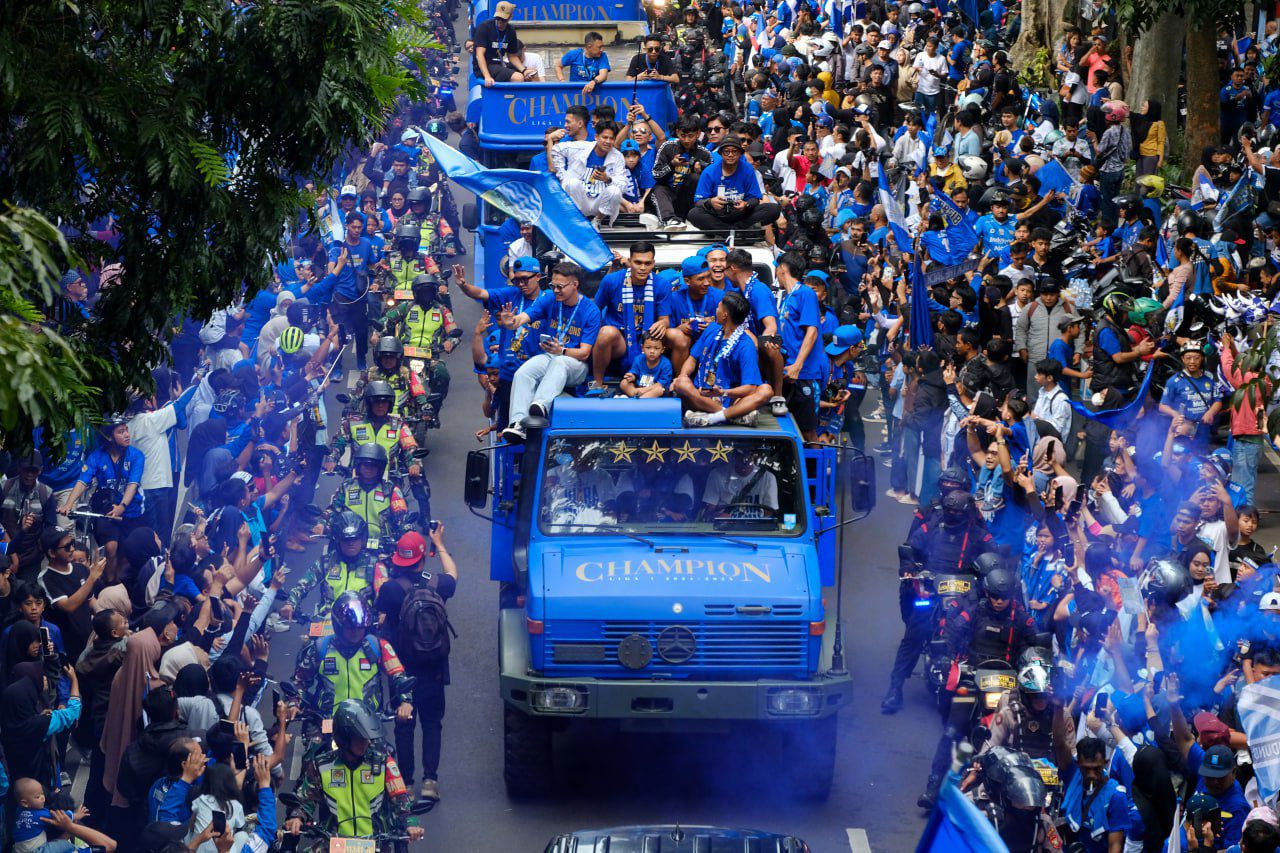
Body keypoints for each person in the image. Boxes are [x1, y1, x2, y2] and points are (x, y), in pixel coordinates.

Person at [379, 526, 458, 805]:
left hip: (402, 670)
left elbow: (382, 618)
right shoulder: (437, 584)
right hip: (434, 668)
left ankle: (407, 784)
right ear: (423, 559)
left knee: (404, 726)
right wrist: (439, 543)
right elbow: (453, 574)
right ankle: (430, 782)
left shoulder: (390, 589)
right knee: (432, 723)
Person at [285, 700, 423, 845]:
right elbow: (305, 801)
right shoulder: (321, 765)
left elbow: (401, 799)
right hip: (333, 842)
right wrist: (297, 817)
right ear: (344, 738)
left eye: (366, 738)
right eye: (359, 738)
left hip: (377, 843)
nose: (365, 742)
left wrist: (411, 823)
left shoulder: (384, 763)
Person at [497, 262, 602, 443]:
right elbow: (523, 318)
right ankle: (517, 423)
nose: (555, 290)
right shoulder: (550, 299)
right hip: (551, 356)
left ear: (575, 284)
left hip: (575, 363)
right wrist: (512, 322)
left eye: (560, 286)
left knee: (560, 362)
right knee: (523, 372)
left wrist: (561, 350)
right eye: (553, 285)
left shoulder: (590, 310)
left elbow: (584, 353)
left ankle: (540, 406)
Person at [292, 591, 414, 720]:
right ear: (339, 626)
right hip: (328, 720)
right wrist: (294, 703)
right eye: (350, 628)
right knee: (312, 733)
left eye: (360, 627)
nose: (356, 632)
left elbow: (398, 675)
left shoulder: (378, 646)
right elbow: (300, 682)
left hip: (368, 721)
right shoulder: (320, 647)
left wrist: (406, 701)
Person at [672, 290, 773, 427]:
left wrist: (723, 393)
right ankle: (733, 416)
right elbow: (692, 359)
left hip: (732, 399)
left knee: (766, 390)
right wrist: (683, 375)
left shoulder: (746, 345)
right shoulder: (712, 329)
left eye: (718, 307)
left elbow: (750, 388)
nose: (716, 310)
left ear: (725, 315)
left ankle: (714, 417)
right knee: (681, 383)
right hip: (702, 395)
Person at [284, 510, 386, 624]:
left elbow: (384, 595)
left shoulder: (375, 565)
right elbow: (302, 585)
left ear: (362, 539)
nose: (350, 543)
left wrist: (383, 613)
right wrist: (290, 604)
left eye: (354, 538)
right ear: (337, 540)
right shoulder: (326, 562)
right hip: (328, 622)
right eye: (346, 539)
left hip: (362, 625)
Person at [688, 136, 781, 232]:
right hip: (717, 215)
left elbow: (755, 198)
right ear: (721, 153)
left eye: (734, 152)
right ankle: (733, 232)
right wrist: (710, 202)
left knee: (773, 209)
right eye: (726, 152)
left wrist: (746, 204)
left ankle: (732, 231)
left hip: (741, 214)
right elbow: (698, 201)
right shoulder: (709, 171)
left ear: (740, 153)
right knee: (694, 214)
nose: (730, 155)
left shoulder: (748, 169)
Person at [548, 121, 626, 226]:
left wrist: (607, 179)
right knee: (572, 182)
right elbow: (556, 150)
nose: (608, 141)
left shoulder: (618, 156)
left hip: (600, 204)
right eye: (605, 137)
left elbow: (623, 185)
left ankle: (597, 222)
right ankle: (578, 221)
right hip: (581, 200)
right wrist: (562, 177)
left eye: (611, 138)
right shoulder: (580, 147)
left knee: (615, 191)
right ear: (596, 137)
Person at [472, 0, 525, 85]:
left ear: (510, 17)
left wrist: (524, 70)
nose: (500, 21)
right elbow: (479, 55)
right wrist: (487, 76)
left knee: (529, 75)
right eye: (498, 18)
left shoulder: (511, 30)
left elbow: (512, 56)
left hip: (499, 64)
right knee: (518, 77)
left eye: (503, 19)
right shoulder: (484, 27)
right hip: (485, 65)